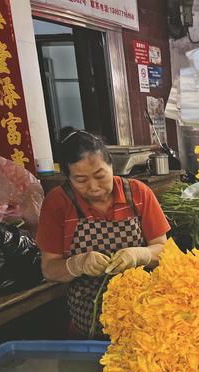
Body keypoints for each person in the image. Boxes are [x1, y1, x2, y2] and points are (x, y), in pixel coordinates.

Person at [36, 129, 170, 338]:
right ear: (68, 177)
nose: (94, 187)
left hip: (143, 315)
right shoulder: (58, 203)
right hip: (87, 318)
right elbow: (49, 269)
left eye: (100, 176)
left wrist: (139, 255)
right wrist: (77, 264)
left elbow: (164, 250)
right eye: (81, 180)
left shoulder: (138, 193)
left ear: (111, 166)